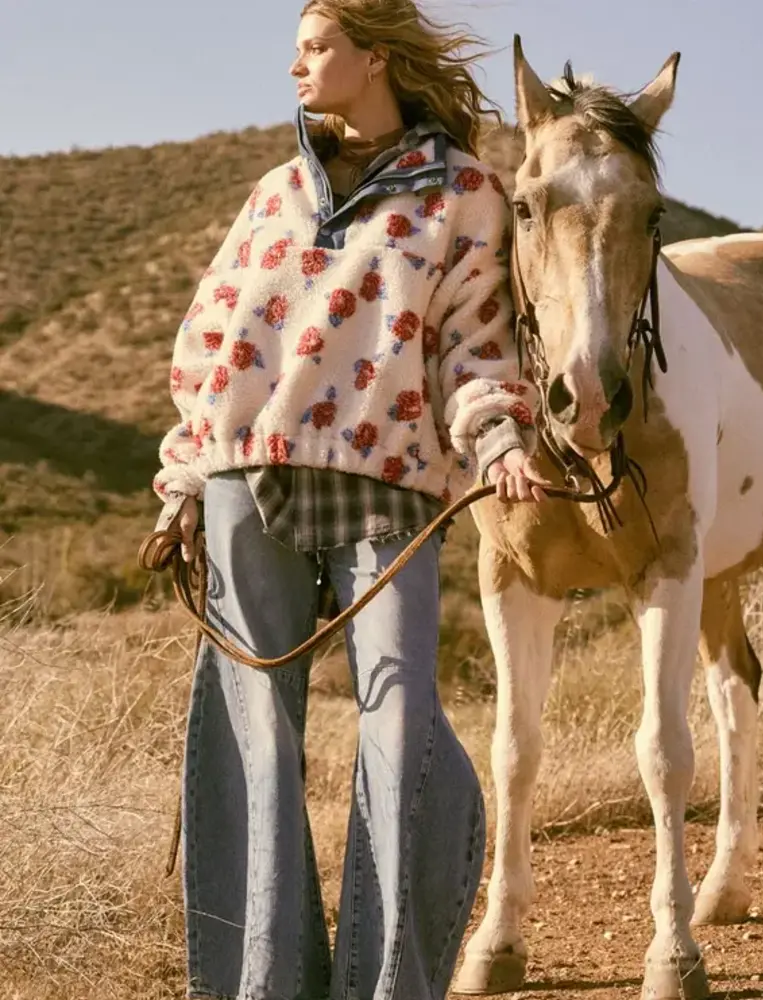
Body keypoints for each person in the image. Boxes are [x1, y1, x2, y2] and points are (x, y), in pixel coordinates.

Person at [151, 1, 543, 997]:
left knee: (398, 725)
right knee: (249, 732)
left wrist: (496, 437)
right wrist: (185, 478)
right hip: (249, 476)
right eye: (294, 50)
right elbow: (210, 344)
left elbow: (475, 341)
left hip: (389, 483)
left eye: (316, 47)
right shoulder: (276, 190)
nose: (297, 67)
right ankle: (261, 983)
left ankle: (391, 984)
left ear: (374, 57)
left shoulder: (461, 191)